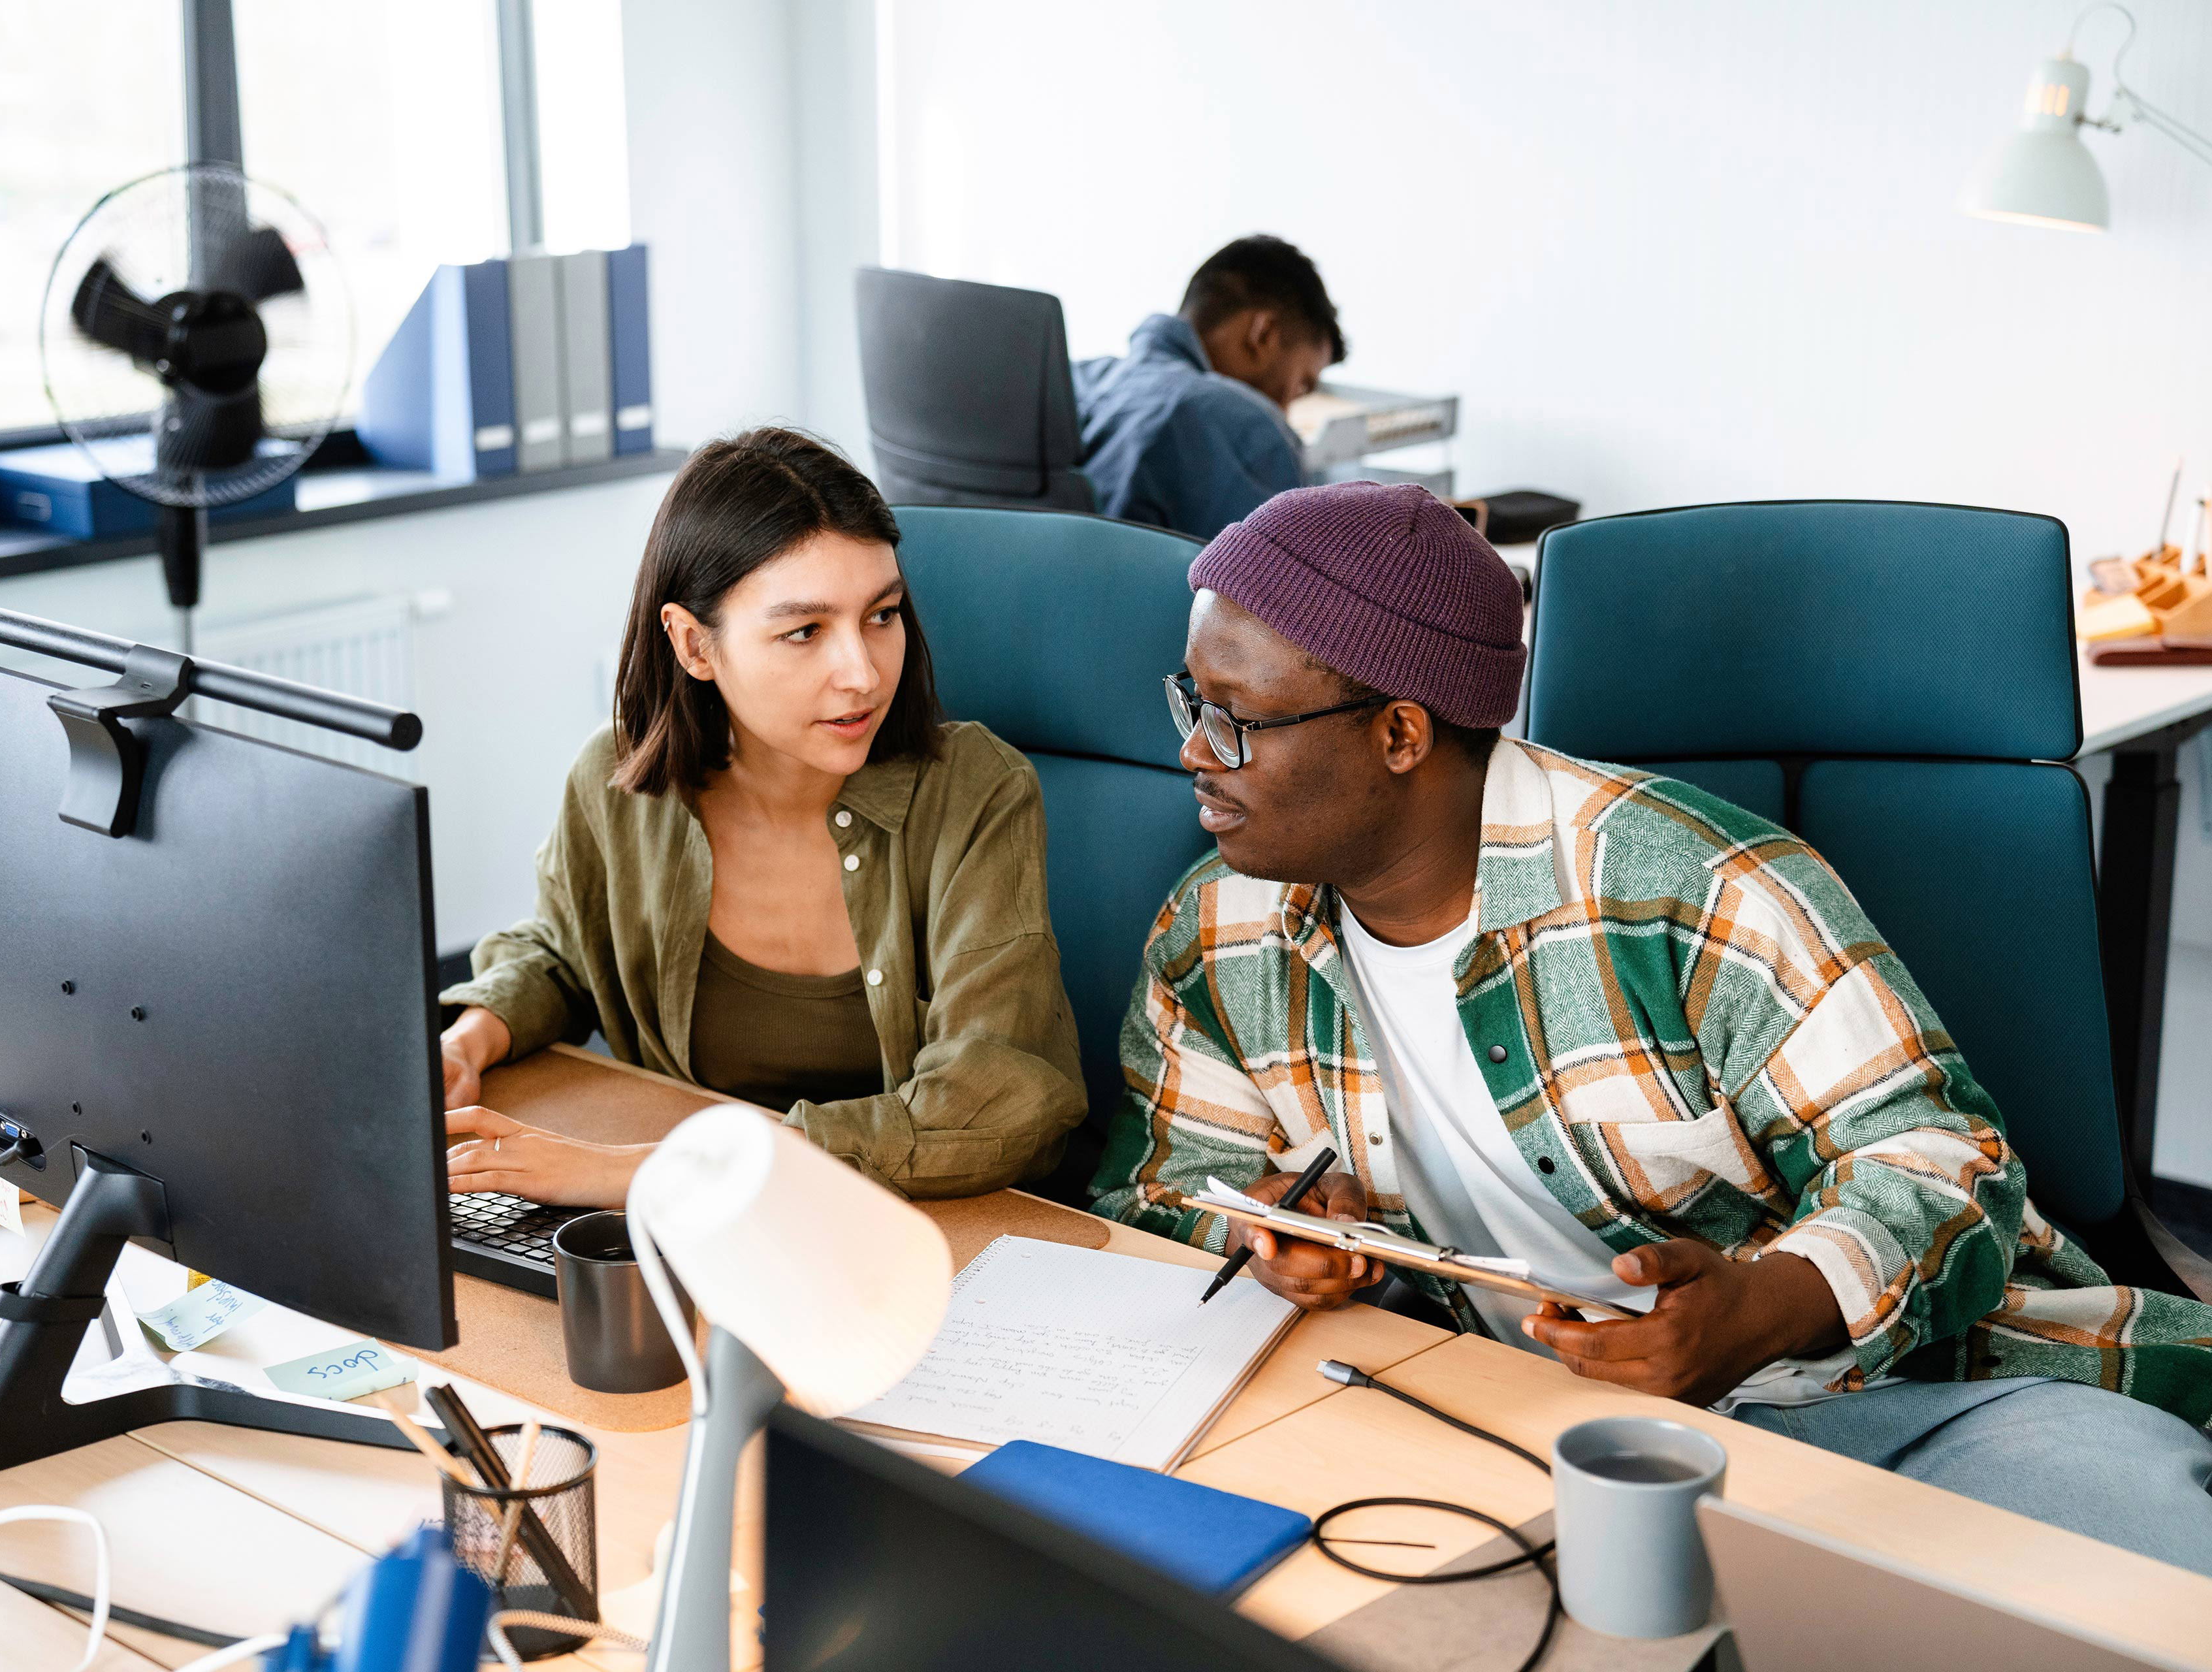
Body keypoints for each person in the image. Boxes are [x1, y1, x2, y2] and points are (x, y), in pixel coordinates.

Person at [1089, 480, 2212, 1573]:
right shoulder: (1218, 927)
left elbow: (1940, 1166)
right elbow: (1160, 1191)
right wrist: (1267, 1236)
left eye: (1234, 721)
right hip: (1498, 1414)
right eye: (1190, 704)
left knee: (2144, 1591)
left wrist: (1765, 1308)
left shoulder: (1690, 887)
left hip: (1884, 1400)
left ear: (1398, 734)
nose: (1193, 750)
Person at [439, 428, 1083, 1206]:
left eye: (882, 615)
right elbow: (570, 954)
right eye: (805, 631)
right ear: (693, 644)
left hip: (918, 1229)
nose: (862, 670)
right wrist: (472, 1036)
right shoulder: (618, 783)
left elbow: (997, 1093)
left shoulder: (977, 792)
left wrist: (651, 1173)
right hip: (709, 1240)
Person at [1072, 234, 1344, 542]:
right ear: (1263, 334)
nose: (1288, 408)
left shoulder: (1069, 378)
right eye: (1300, 385)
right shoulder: (1245, 425)